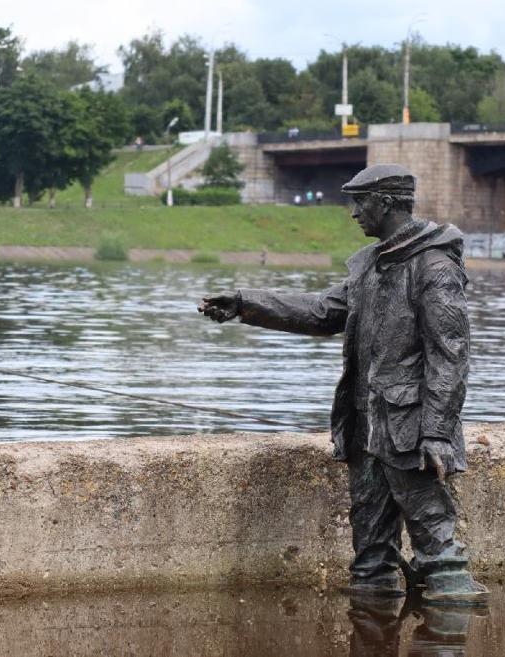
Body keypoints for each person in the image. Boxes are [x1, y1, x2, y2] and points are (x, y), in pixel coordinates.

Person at [198, 164, 488, 604]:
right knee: (370, 560)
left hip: (411, 433)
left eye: (361, 201)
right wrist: (245, 304)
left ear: (386, 203)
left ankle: (450, 636)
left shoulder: (433, 266)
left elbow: (450, 356)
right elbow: (319, 312)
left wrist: (436, 432)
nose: (353, 212)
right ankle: (371, 628)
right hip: (365, 429)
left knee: (441, 558)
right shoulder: (370, 266)